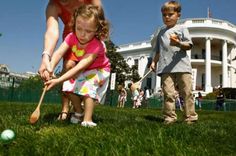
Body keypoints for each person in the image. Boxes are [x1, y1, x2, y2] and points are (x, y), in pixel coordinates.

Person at [45, 4, 110, 127]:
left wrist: (58, 80)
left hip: (100, 69)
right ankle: (79, 112)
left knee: (88, 87)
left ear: (97, 30)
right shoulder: (71, 37)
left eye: (88, 31)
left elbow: (79, 67)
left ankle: (87, 119)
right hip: (85, 69)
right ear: (74, 24)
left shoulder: (96, 45)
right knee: (68, 85)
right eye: (79, 28)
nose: (82, 34)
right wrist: (50, 66)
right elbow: (59, 53)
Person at [150, 1, 198, 124]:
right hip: (165, 67)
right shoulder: (161, 32)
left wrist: (179, 44)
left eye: (170, 14)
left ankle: (190, 117)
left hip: (182, 66)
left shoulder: (182, 29)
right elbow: (158, 51)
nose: (167, 17)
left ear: (178, 15)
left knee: (187, 92)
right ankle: (169, 117)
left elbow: (189, 45)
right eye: (164, 15)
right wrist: (154, 62)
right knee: (168, 93)